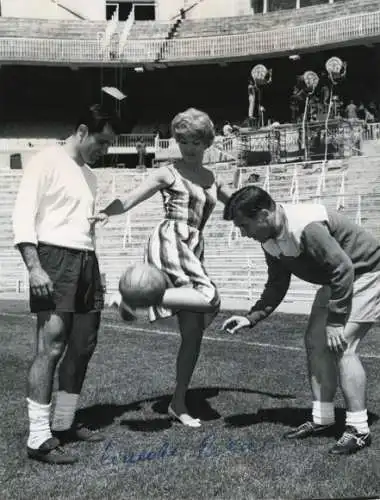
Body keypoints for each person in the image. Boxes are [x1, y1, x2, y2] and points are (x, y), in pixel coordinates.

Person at [90, 108, 230, 428]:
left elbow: (240, 203)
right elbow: (129, 198)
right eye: (182, 140)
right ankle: (136, 297)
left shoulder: (213, 179)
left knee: (194, 334)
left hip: (194, 245)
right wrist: (105, 213)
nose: (188, 147)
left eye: (194, 141)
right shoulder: (168, 173)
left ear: (206, 141)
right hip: (171, 239)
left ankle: (178, 403)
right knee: (210, 298)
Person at [221, 185, 380, 455]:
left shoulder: (306, 227)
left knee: (342, 344)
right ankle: (323, 418)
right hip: (338, 278)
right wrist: (252, 317)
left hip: (365, 271)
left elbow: (344, 268)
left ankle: (359, 429)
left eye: (244, 225)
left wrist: (335, 321)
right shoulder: (268, 238)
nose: (243, 233)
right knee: (314, 342)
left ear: (263, 214)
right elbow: (277, 283)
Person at [12, 104, 121, 464]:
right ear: (81, 131)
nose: (104, 151)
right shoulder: (46, 160)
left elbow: (85, 229)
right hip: (53, 259)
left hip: (86, 261)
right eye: (101, 142)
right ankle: (38, 436)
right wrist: (35, 268)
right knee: (52, 346)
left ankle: (63, 423)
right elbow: (23, 215)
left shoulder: (89, 175)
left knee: (84, 345)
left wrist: (96, 267)